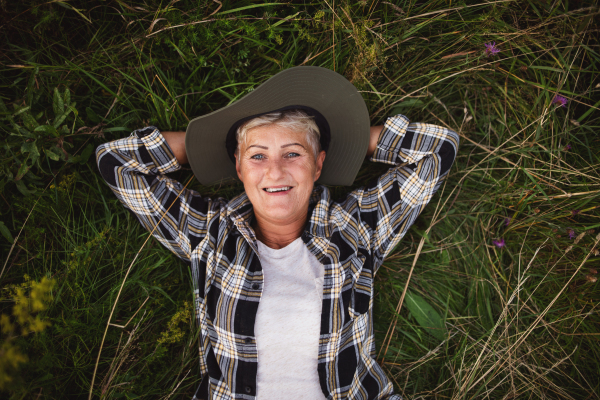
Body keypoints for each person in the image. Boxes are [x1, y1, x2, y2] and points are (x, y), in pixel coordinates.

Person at [96, 66, 459, 400]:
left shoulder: (355, 227)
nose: (275, 171)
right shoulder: (210, 232)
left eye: (293, 154)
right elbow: (118, 162)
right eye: (257, 156)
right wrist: (200, 147)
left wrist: (347, 138)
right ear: (237, 166)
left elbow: (437, 150)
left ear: (318, 165)